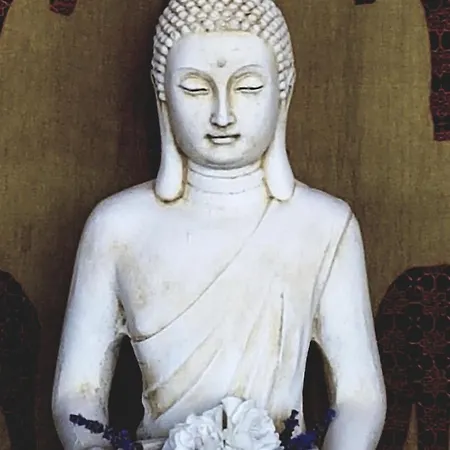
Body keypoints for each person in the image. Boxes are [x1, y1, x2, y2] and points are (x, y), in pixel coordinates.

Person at [52, 1, 386, 449]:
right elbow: (77, 392)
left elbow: (359, 397)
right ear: (162, 94)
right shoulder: (116, 227)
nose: (223, 115)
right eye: (195, 89)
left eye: (248, 88)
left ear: (283, 91)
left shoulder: (326, 225)